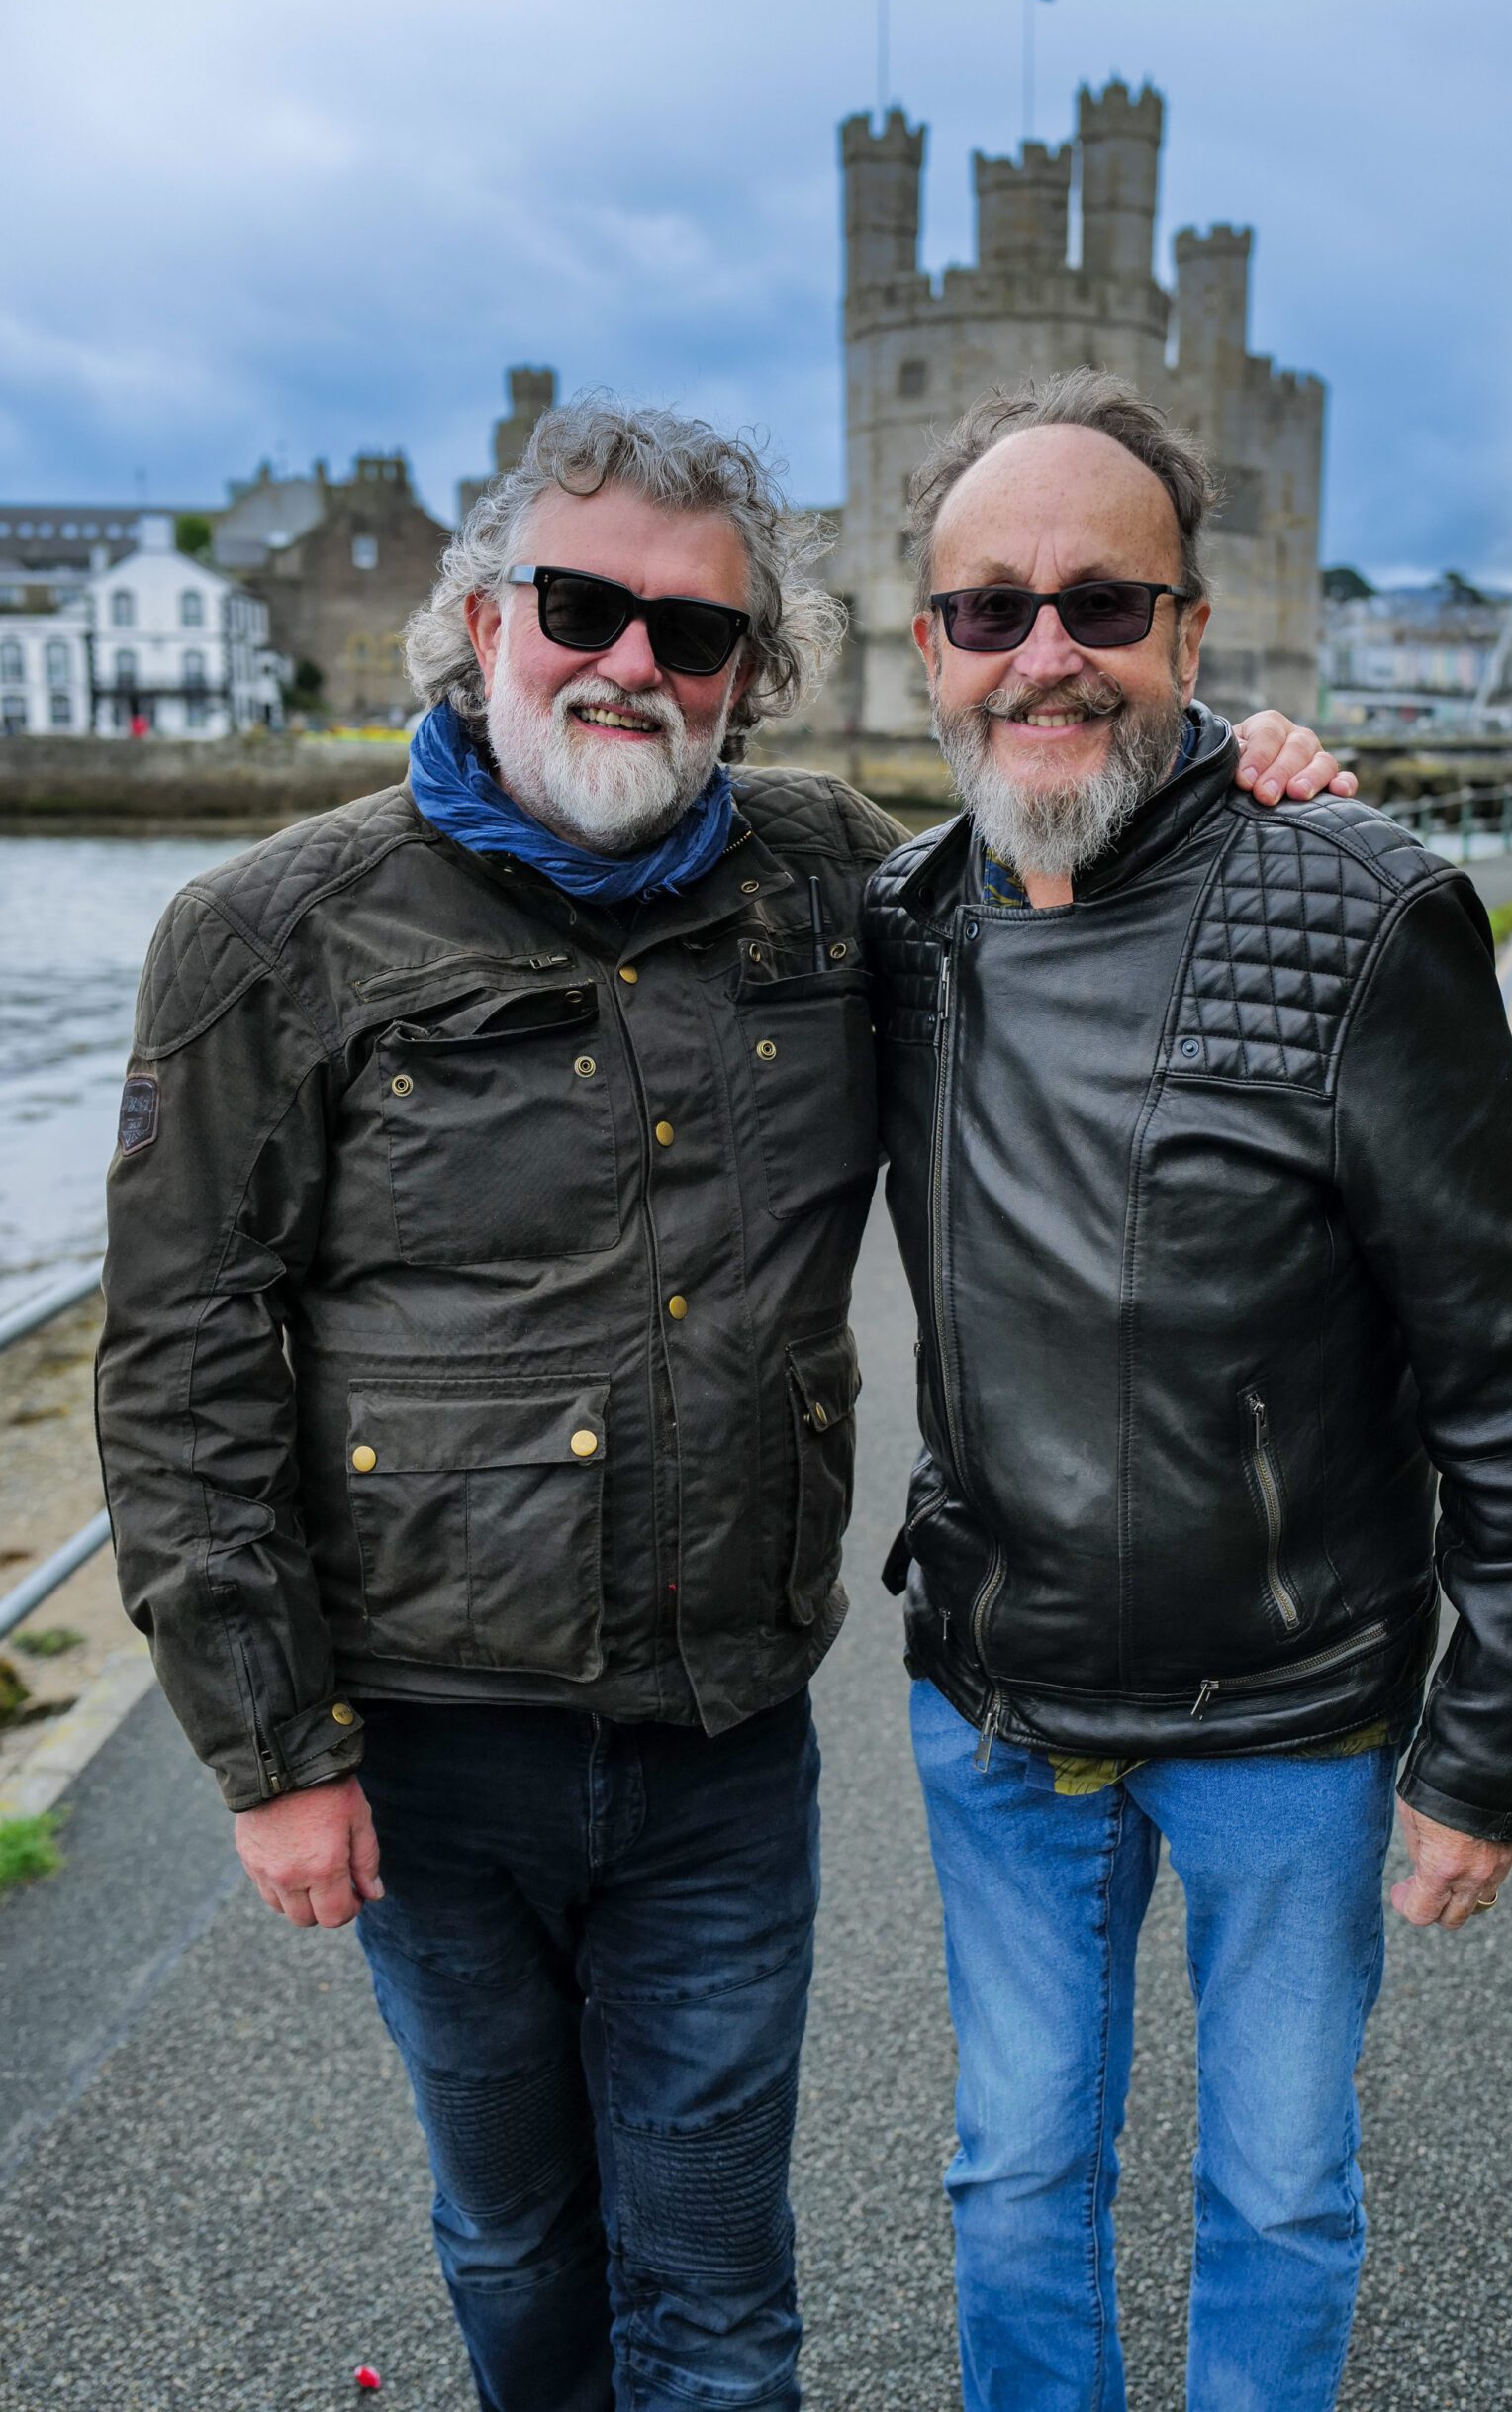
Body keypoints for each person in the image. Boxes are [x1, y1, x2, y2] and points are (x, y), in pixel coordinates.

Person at [96, 395, 1351, 2412]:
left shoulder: (833, 883)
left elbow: (1077, 837)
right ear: (482, 619)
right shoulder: (267, 933)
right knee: (513, 2235)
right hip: (424, 1744)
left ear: (748, 675)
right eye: (581, 605)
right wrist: (267, 1749)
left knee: (711, 2272)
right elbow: (177, 1352)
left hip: (716, 1737)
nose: (629, 662)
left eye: (692, 636)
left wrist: (1251, 780)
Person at [864, 368, 1512, 2412]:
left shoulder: (1363, 912)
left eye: (1103, 606)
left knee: (1275, 2185)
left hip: (1288, 1711)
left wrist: (1487, 1747)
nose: (1045, 651)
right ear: (924, 648)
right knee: (1013, 2167)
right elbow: (609, 840)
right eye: (988, 608)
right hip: (997, 1708)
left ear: (1192, 632)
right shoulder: (895, 928)